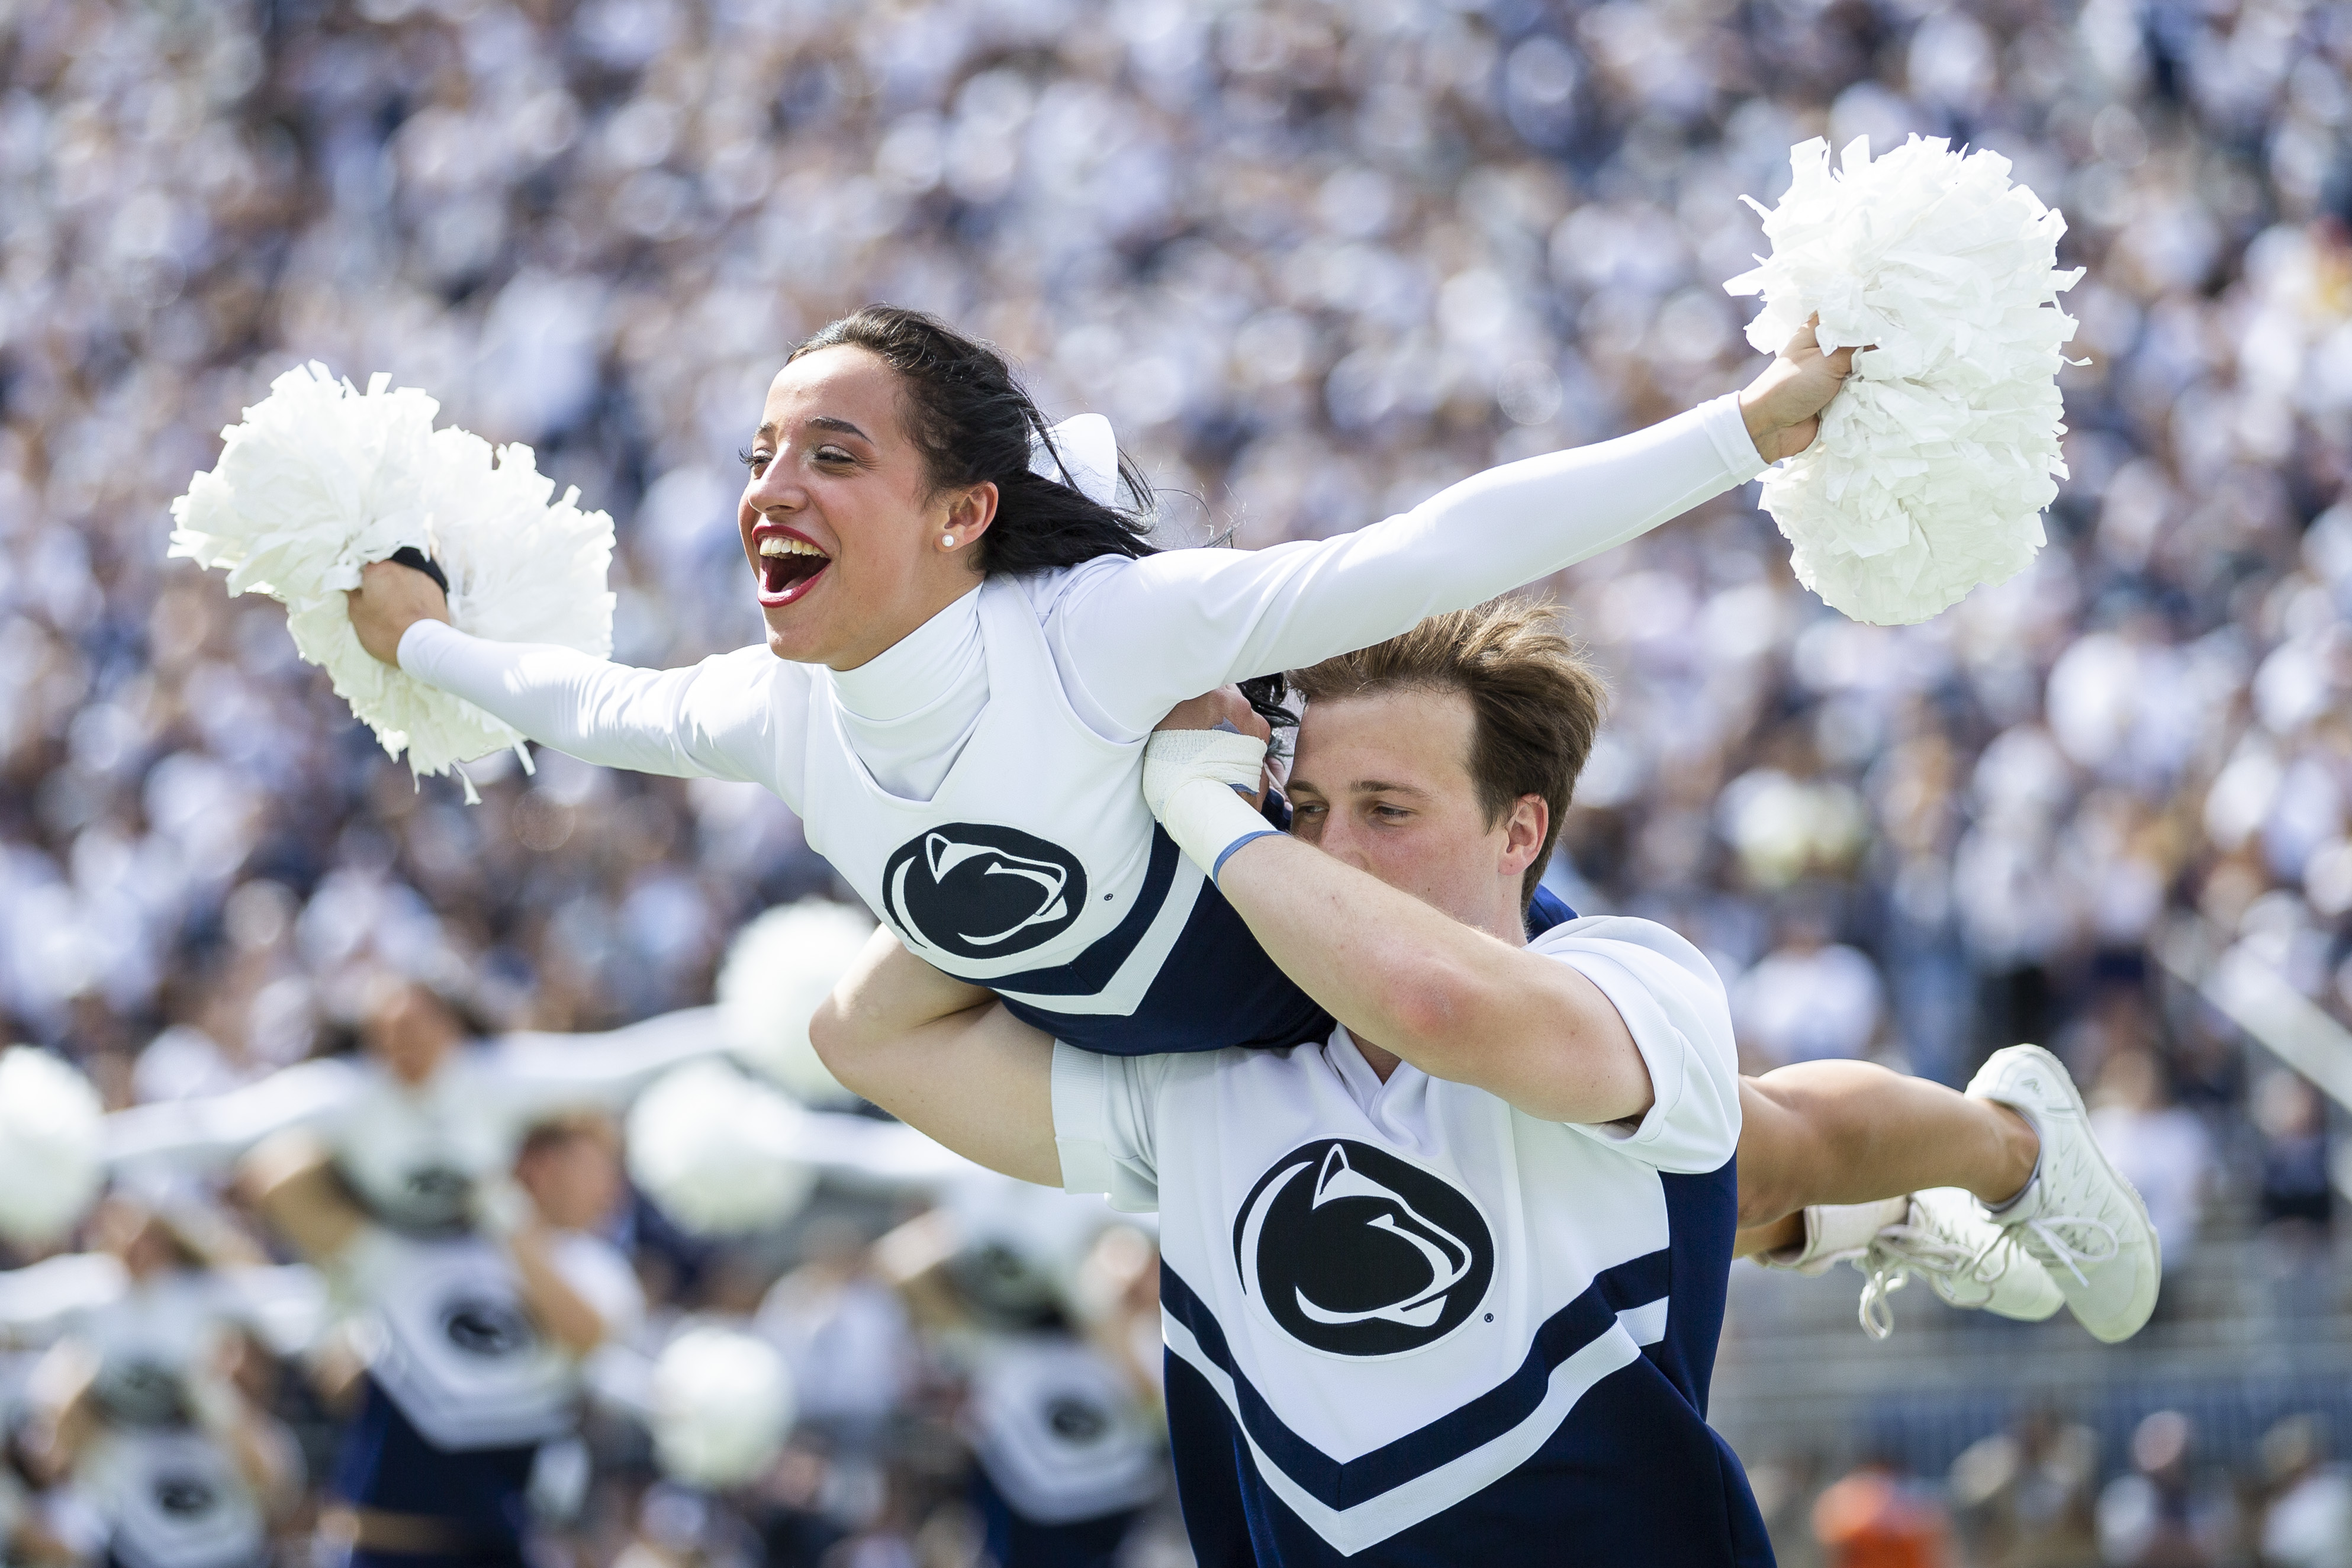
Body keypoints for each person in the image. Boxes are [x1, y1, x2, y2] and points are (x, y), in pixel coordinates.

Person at [806, 598, 2160, 1563]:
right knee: (1731, 1163)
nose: (1328, 850)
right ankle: (1884, 1218)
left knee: (1767, 1149)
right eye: (1304, 809)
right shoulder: (1209, 1083)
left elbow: (1436, 997)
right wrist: (1073, 786)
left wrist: (1200, 804)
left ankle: (2004, 1144)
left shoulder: (1632, 971)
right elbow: (867, 1035)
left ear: (1521, 832)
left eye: (1385, 811)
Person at [342, 304, 1851, 1060]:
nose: (769, 489)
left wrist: (1744, 431)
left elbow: (1422, 551)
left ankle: (1995, 1147)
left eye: (832, 454)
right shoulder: (769, 709)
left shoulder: (1095, 629)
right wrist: (414, 639)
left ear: (962, 513)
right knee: (849, 1039)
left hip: (1392, 993)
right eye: (760, 456)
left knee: (1749, 1160)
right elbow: (582, 701)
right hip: (1190, 1088)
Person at [239, 1111, 642, 1568]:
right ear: (541, 1162)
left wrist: (506, 1213)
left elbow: (584, 1332)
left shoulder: (595, 1268)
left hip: (497, 1549)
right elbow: (276, 1179)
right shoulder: (416, 1251)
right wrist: (423, 1119)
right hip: (385, 1547)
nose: (613, 1190)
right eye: (599, 1166)